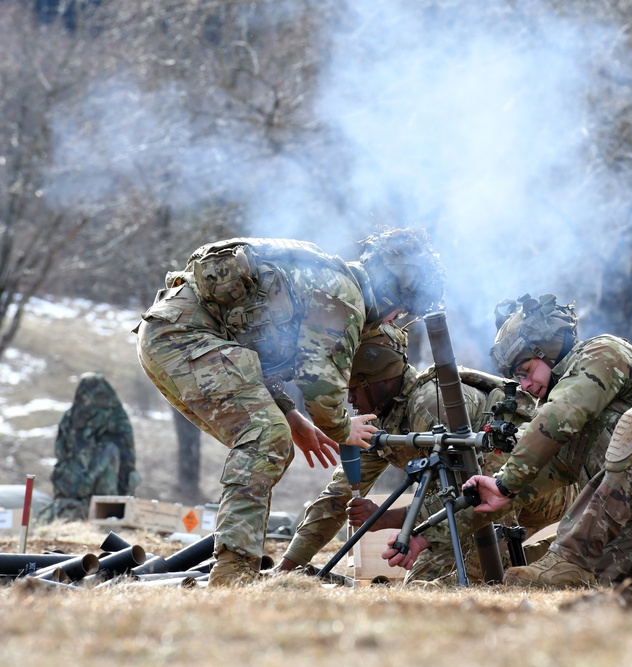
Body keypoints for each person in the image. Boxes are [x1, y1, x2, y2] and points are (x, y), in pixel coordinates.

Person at [388, 293, 632, 589]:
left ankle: (569, 557)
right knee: (591, 574)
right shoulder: (571, 436)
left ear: (549, 350)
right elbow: (511, 492)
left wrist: (506, 480)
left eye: (526, 370)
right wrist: (425, 534)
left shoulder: (602, 352)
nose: (525, 386)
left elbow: (560, 416)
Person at [135, 228, 445, 587]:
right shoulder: (344, 296)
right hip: (182, 338)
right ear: (392, 290)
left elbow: (256, 350)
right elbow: (320, 381)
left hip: (174, 337)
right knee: (266, 437)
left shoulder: (332, 280)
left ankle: (236, 567)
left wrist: (291, 414)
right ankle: (233, 574)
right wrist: (344, 428)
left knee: (273, 433)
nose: (394, 320)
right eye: (402, 311)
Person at [278, 322, 576, 584]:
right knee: (436, 577)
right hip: (473, 504)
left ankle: (560, 556)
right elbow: (336, 499)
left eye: (354, 386)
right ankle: (537, 555)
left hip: (532, 490)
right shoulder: (380, 418)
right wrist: (287, 567)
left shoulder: (430, 406)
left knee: (435, 586)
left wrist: (387, 518)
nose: (349, 397)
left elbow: (472, 496)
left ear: (377, 378)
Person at [38, 372, 141, 523]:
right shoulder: (74, 418)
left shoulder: (113, 419)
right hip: (76, 483)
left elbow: (126, 456)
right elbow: (63, 452)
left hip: (106, 491)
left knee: (109, 452)